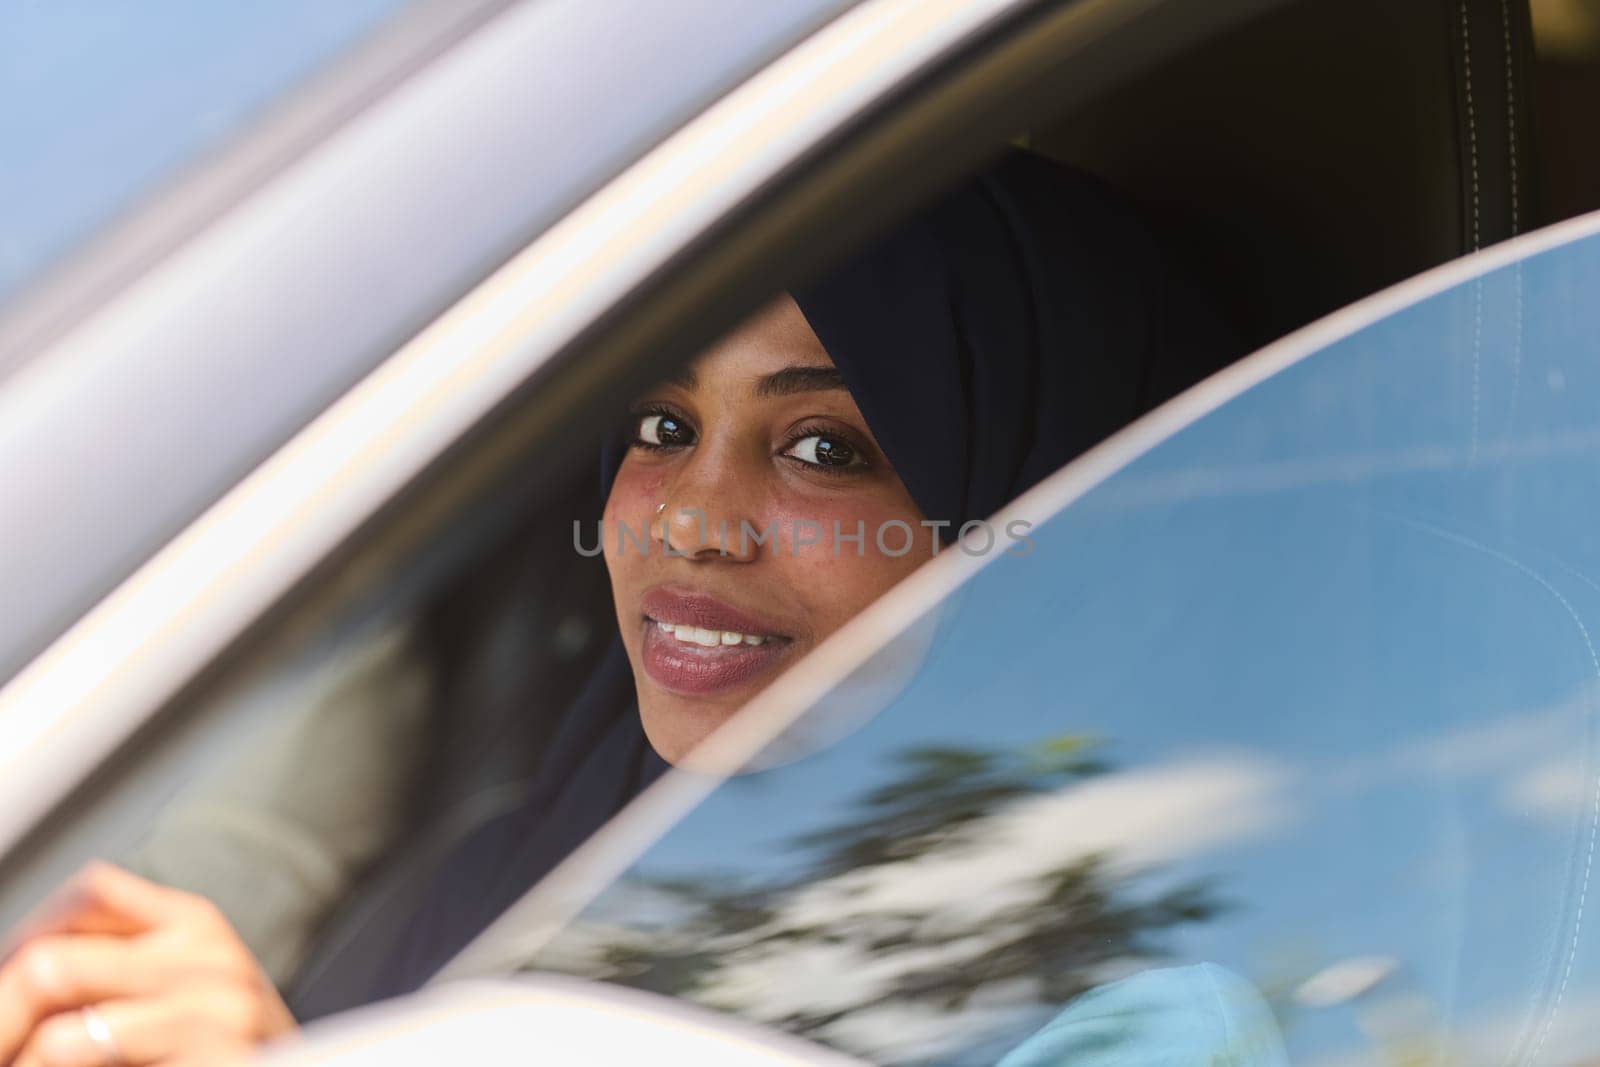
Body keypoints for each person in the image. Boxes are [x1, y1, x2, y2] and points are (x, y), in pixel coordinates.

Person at [0, 148, 1237, 1065]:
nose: (688, 520)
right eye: (661, 425)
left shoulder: (1134, 1016)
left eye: (823, 446)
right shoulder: (550, 859)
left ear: (1032, 515)